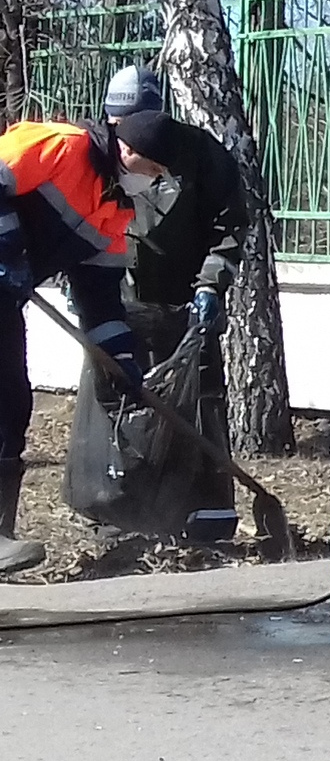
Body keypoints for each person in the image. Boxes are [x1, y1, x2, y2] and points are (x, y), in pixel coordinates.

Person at [65, 67, 250, 540]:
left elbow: (229, 231)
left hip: (187, 307)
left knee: (199, 403)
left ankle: (204, 512)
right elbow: (73, 222)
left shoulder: (204, 157)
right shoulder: (92, 156)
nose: (125, 142)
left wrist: (210, 286)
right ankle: (120, 511)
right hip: (118, 303)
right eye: (115, 123)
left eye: (133, 125)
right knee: (119, 405)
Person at [0, 114, 163, 576]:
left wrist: (123, 362)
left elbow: (99, 300)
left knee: (11, 403)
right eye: (152, 171)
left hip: (5, 293)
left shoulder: (114, 209)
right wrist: (8, 249)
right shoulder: (61, 146)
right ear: (129, 151)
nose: (150, 183)